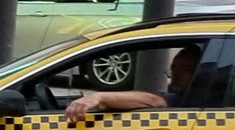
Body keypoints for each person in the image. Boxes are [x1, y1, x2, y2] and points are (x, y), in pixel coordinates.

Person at [67, 44, 204, 122]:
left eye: (185, 70)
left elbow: (154, 100)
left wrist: (98, 97)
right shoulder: (190, 95)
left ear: (201, 73)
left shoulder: (201, 98)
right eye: (174, 70)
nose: (176, 76)